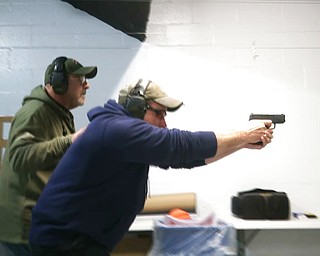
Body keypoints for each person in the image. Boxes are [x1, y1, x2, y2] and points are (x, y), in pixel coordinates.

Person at [29, 79, 274, 256]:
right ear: (137, 107)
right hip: (65, 243)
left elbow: (186, 159)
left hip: (73, 241)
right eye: (159, 114)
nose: (164, 123)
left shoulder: (121, 132)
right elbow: (181, 145)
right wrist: (243, 134)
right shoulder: (118, 129)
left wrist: (243, 143)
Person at [0, 56, 98, 256]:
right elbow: (19, 157)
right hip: (22, 233)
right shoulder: (35, 113)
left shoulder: (56, 113)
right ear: (59, 83)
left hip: (39, 225)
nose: (86, 85)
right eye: (80, 79)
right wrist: (69, 141)